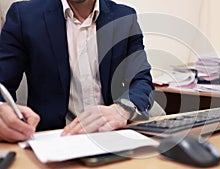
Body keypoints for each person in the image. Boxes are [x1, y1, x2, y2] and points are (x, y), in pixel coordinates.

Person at [0, 0, 154, 142]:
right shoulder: (25, 16)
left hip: (111, 137)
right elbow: (2, 83)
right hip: (53, 140)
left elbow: (141, 80)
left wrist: (123, 109)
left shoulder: (125, 17)